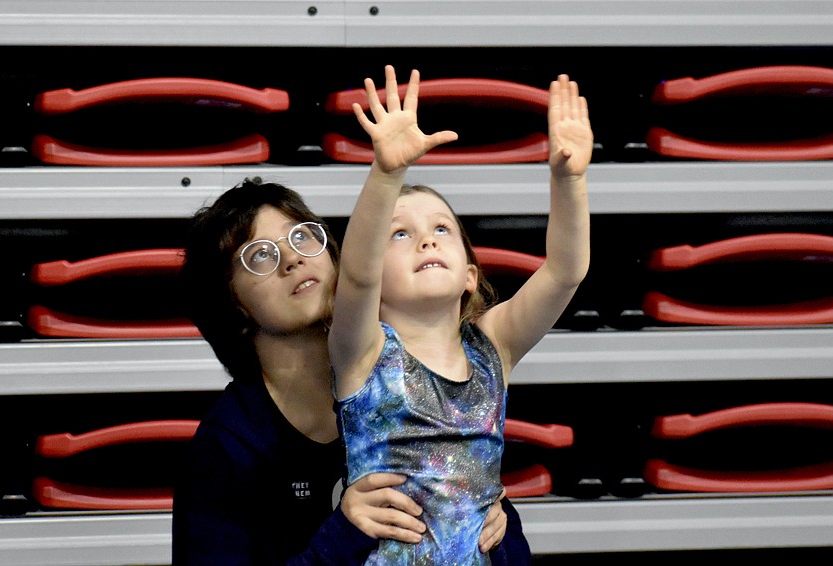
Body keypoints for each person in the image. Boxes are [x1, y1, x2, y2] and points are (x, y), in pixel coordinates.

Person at [171, 177, 530, 564]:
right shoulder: (227, 447)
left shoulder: (413, 380)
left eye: (303, 236)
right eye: (259, 255)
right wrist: (342, 534)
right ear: (234, 307)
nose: (293, 258)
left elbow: (493, 541)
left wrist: (492, 522)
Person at [329, 65, 592, 564]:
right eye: (399, 234)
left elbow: (564, 272)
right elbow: (358, 278)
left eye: (442, 229)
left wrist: (568, 179)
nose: (426, 238)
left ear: (470, 275)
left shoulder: (493, 345)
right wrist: (386, 174)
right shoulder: (362, 351)